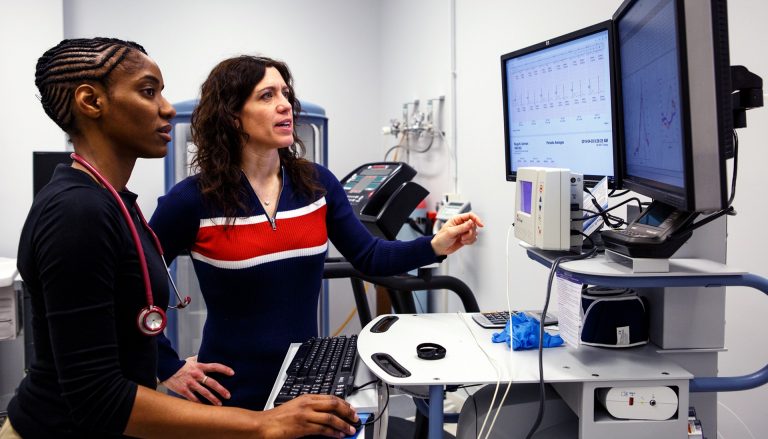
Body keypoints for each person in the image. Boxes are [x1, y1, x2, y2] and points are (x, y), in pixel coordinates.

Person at [1, 38, 358, 439]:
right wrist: (262, 422)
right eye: (148, 91)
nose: (168, 108)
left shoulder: (115, 202)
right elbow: (97, 398)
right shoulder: (77, 212)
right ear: (91, 102)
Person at [149, 54, 484, 410]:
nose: (284, 106)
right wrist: (166, 364)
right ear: (233, 116)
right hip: (229, 392)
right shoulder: (191, 200)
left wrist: (436, 244)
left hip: (306, 379)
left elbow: (368, 255)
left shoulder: (316, 184)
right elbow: (135, 283)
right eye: (267, 96)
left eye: (285, 94)